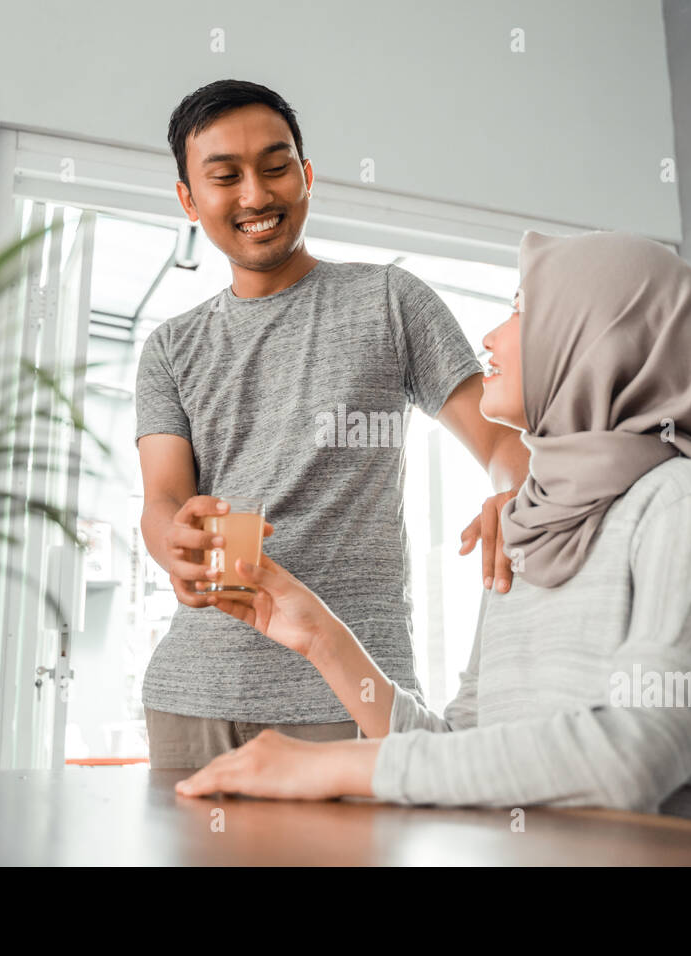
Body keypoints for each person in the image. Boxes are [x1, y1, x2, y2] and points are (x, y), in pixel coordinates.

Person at [174, 230, 691, 829]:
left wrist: (340, 765)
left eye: (520, 312)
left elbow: (631, 759)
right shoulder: (526, 519)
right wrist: (322, 639)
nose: (491, 337)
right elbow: (462, 750)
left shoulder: (688, 501)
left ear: (595, 339)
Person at [136, 79, 530, 768]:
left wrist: (515, 493)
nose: (256, 195)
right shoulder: (171, 348)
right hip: (192, 695)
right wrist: (174, 541)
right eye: (225, 176)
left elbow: (500, 439)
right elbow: (163, 497)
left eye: (276, 166)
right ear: (189, 199)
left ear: (307, 175)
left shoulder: (390, 300)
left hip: (351, 697)